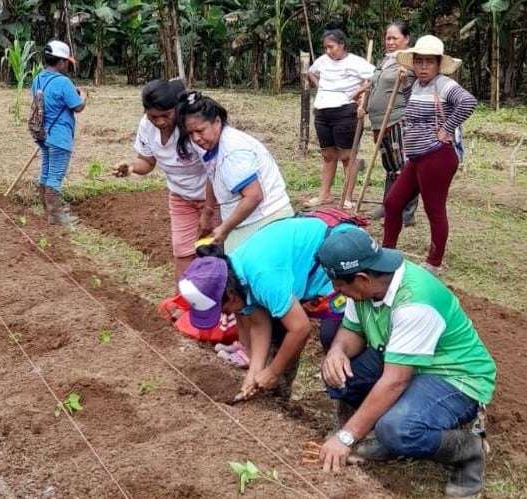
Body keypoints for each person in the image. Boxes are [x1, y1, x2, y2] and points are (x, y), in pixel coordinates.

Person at [315, 229, 495, 498]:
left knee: (397, 428)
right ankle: (377, 436)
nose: (336, 291)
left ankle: (469, 450)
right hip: (401, 359)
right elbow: (352, 331)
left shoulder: (414, 302)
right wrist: (337, 352)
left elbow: (395, 381)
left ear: (362, 278)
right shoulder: (367, 288)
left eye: (339, 284)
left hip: (453, 376)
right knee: (339, 374)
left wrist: (347, 437)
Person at [177, 217, 362, 400]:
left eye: (221, 309)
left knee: (334, 337)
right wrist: (254, 372)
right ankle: (279, 399)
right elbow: (258, 324)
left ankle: (350, 412)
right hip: (307, 267)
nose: (224, 314)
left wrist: (273, 371)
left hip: (344, 254)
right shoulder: (235, 275)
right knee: (279, 330)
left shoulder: (262, 276)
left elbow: (300, 329)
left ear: (231, 296)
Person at [383, 35, 477, 276]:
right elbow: (413, 110)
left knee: (434, 210)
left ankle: (433, 263)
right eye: (419, 62)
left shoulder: (444, 84)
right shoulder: (417, 85)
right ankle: (387, 252)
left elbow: (467, 102)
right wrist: (405, 87)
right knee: (393, 203)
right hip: (417, 157)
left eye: (429, 62)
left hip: (437, 157)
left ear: (438, 65)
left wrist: (447, 128)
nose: (423, 67)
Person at [113, 79, 214, 280]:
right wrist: (132, 167)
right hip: (180, 197)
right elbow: (147, 161)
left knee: (212, 252)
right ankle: (183, 303)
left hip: (213, 197)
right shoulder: (146, 126)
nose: (159, 121)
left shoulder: (191, 126)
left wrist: (208, 212)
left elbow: (214, 169)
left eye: (165, 115)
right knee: (183, 252)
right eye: (153, 116)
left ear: (176, 108)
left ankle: (217, 307)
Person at [175, 91, 293, 254]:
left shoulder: (233, 150)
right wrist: (208, 212)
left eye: (200, 131)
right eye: (190, 133)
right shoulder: (210, 145)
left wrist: (225, 228)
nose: (196, 138)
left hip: (266, 220)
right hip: (246, 221)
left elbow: (253, 195)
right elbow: (212, 174)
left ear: (217, 122)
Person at [305, 28, 375, 209]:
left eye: (331, 47)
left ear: (342, 45)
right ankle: (325, 195)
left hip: (345, 111)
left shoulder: (356, 63)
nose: (328, 51)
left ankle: (347, 197)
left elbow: (375, 78)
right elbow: (311, 72)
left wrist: (358, 92)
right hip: (322, 111)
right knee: (328, 155)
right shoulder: (322, 61)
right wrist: (321, 86)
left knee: (346, 156)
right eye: (325, 47)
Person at [358, 22, 417, 225]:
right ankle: (388, 205)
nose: (390, 42)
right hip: (379, 121)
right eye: (388, 38)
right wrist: (364, 106)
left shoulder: (411, 61)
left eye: (395, 38)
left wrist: (405, 80)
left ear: (406, 39)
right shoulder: (384, 61)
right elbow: (373, 86)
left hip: (398, 119)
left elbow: (417, 87)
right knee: (390, 167)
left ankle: (406, 213)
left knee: (403, 167)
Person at [31, 40, 87, 225]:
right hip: (59, 135)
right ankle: (57, 216)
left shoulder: (38, 78)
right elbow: (77, 107)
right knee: (55, 175)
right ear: (61, 62)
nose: (68, 65)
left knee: (46, 171)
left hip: (42, 134)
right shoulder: (63, 82)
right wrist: (83, 96)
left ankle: (47, 210)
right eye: (67, 62)